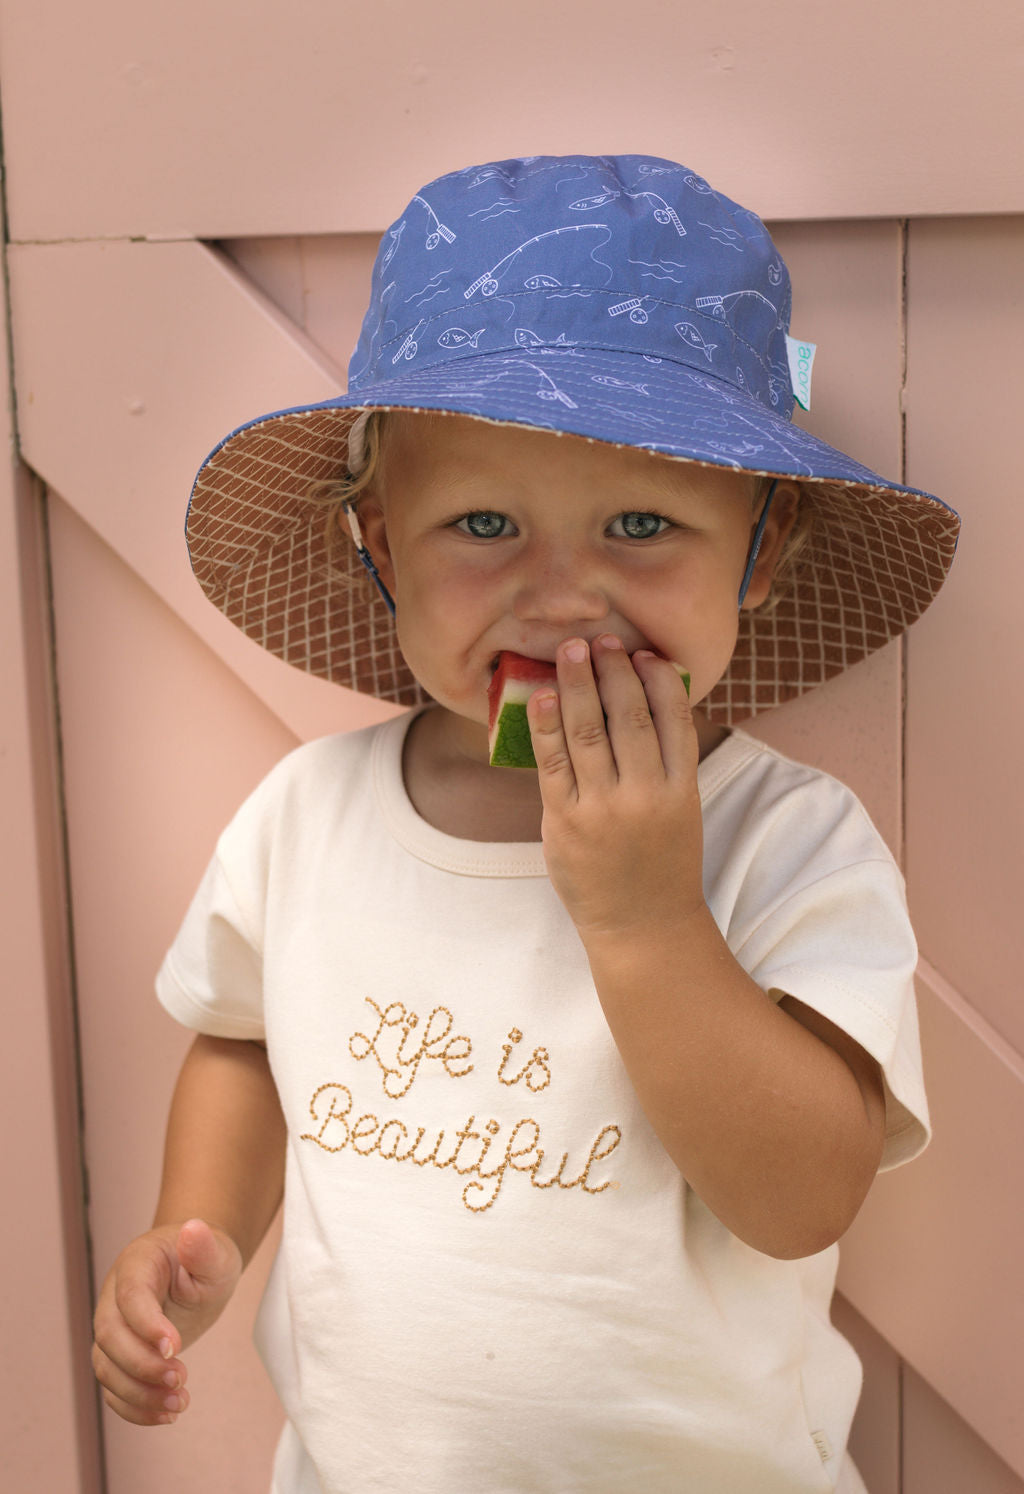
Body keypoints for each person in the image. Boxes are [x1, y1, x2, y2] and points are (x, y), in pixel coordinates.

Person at [91, 154, 960, 1493]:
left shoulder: (789, 840)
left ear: (760, 550)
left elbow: (805, 1199)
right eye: (484, 523)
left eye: (641, 523)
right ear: (381, 544)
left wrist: (646, 915)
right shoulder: (306, 818)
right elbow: (250, 1039)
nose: (565, 597)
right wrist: (190, 1231)